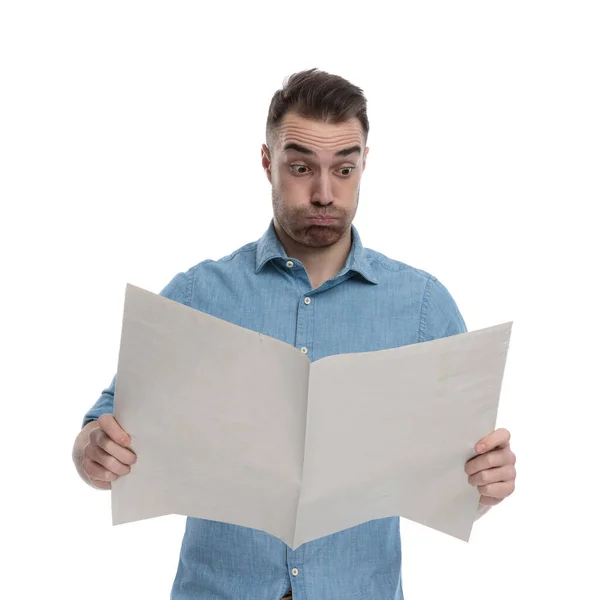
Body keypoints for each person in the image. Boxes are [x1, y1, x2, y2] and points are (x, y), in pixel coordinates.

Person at [72, 68, 517, 600]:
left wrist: (487, 484)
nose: (325, 193)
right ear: (267, 162)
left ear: (364, 165)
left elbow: (459, 476)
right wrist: (93, 450)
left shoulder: (422, 306)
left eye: (344, 169)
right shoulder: (198, 296)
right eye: (302, 167)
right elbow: (105, 420)